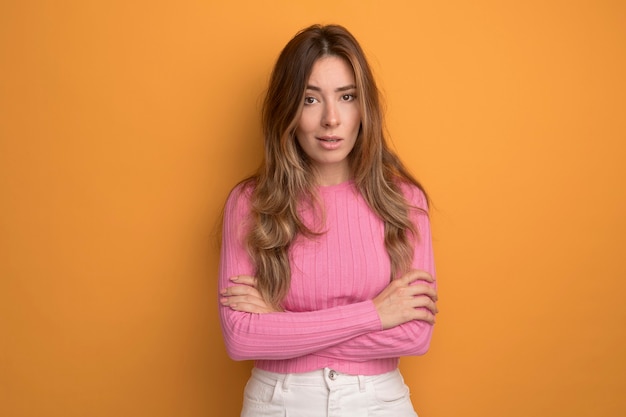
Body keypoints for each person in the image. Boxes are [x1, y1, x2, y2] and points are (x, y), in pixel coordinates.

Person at [218, 24, 438, 417]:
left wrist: (281, 325)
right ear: (287, 109)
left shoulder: (404, 202)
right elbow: (242, 339)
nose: (331, 119)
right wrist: (374, 314)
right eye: (310, 100)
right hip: (279, 403)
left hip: (379, 403)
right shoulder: (251, 203)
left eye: (347, 97)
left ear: (364, 107)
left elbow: (415, 334)